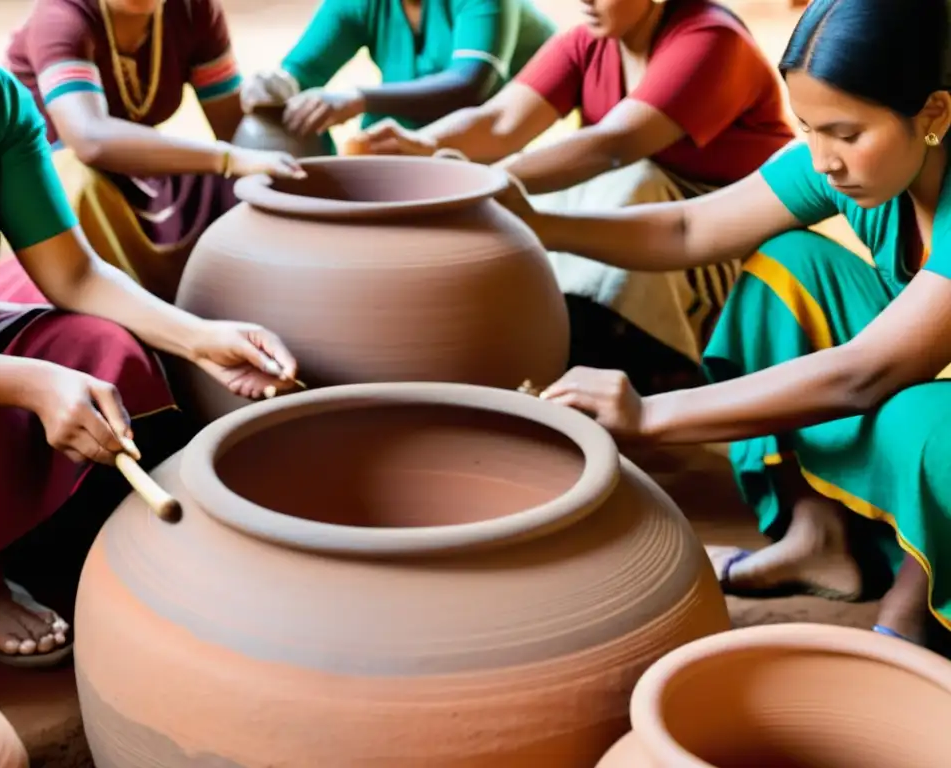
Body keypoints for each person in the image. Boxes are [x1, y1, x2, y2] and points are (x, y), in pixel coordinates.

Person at [492, 0, 951, 648]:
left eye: (845, 135)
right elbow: (690, 228)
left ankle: (914, 605)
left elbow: (866, 373)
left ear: (934, 114)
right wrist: (543, 224)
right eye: (808, 128)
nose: (822, 160)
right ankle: (816, 537)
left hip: (922, 409)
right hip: (910, 377)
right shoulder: (862, 165)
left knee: (925, 424)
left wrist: (651, 416)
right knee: (782, 270)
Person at [0, 0, 302, 667]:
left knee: (107, 353)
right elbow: (93, 141)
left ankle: (60, 555)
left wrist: (199, 338)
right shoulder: (61, 22)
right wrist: (33, 383)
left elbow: (72, 273)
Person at [350, 0, 794, 393]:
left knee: (620, 182)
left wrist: (474, 184)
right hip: (654, 230)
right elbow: (500, 121)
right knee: (548, 181)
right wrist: (422, 149)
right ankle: (563, 345)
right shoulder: (590, 40)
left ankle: (633, 361)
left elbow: (613, 146)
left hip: (732, 240)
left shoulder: (710, 39)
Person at [0, 0, 305, 305]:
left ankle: (225, 303)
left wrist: (270, 109)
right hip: (49, 199)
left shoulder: (192, 10)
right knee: (75, 175)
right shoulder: (63, 16)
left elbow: (236, 136)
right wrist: (230, 158)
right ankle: (114, 307)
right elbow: (90, 139)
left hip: (136, 177)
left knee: (241, 187)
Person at [240, 0, 557, 155]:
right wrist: (275, 87)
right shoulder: (360, 4)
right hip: (402, 149)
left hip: (485, 153)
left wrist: (357, 99)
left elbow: (469, 84)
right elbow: (299, 76)